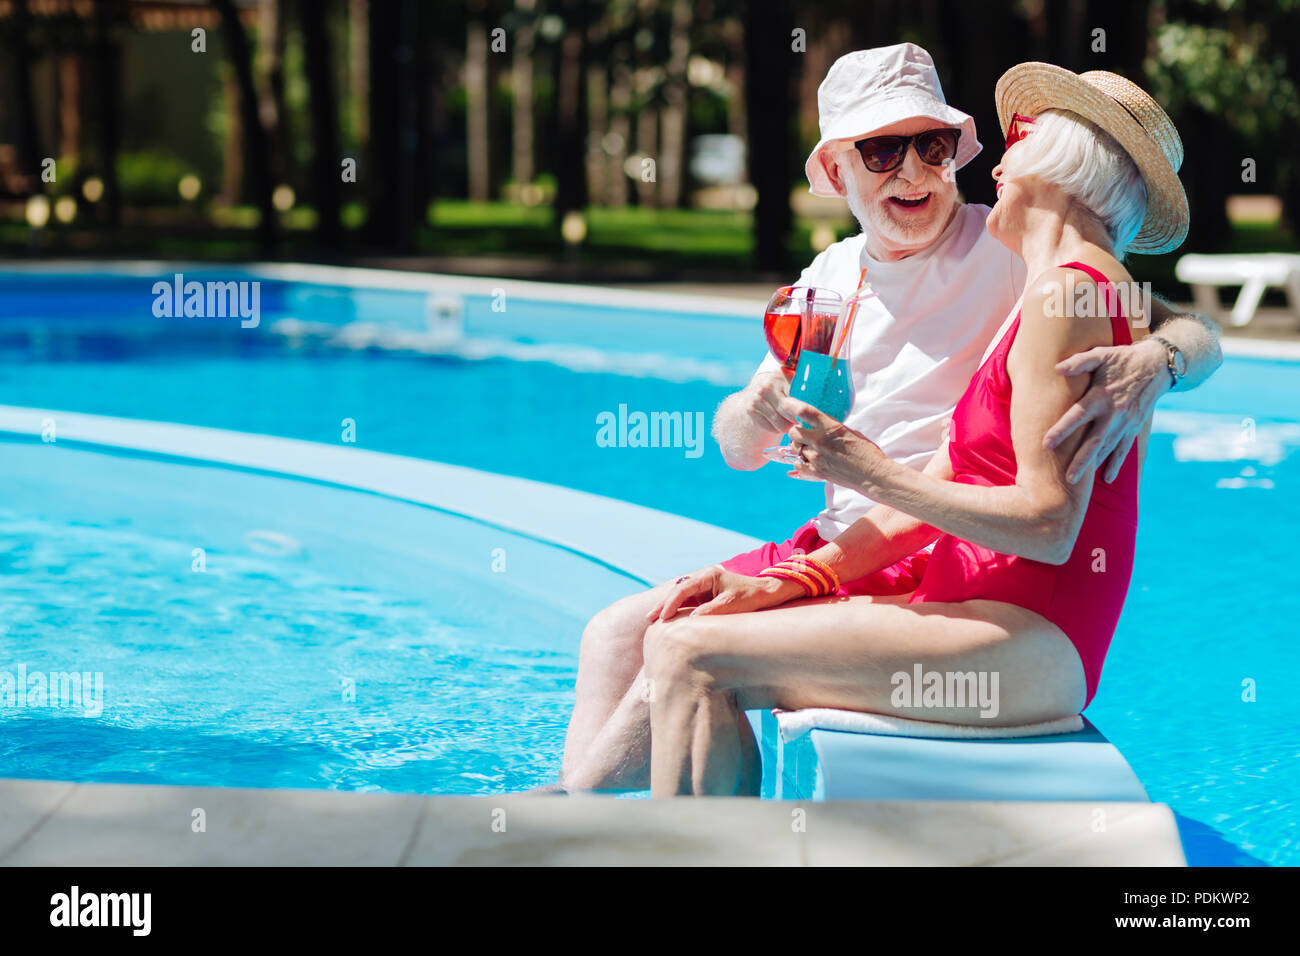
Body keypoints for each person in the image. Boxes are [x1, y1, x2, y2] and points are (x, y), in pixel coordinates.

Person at [559, 45, 1220, 793]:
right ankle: (583, 815)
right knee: (615, 633)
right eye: (881, 150)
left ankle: (568, 814)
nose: (912, 170)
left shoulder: (1012, 254)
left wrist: (1160, 361)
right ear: (838, 172)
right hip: (862, 539)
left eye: (931, 147)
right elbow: (741, 449)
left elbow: (1183, 328)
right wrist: (763, 407)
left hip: (944, 554)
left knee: (686, 652)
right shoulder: (832, 282)